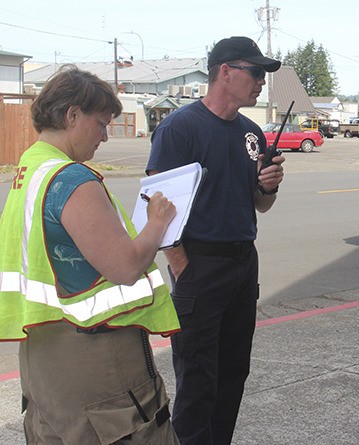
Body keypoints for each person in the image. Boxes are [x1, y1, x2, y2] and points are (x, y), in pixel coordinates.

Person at [0, 66, 182, 444]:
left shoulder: (29, 170)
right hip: (95, 360)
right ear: (71, 115)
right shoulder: (72, 180)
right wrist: (157, 222)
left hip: (42, 353)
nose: (104, 136)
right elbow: (126, 266)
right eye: (101, 124)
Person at [146, 36, 285, 445]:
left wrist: (269, 185)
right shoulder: (180, 128)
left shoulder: (251, 133)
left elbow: (259, 205)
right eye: (255, 72)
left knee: (232, 374)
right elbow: (157, 203)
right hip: (200, 265)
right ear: (225, 72)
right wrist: (181, 265)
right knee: (198, 379)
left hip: (243, 263)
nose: (261, 82)